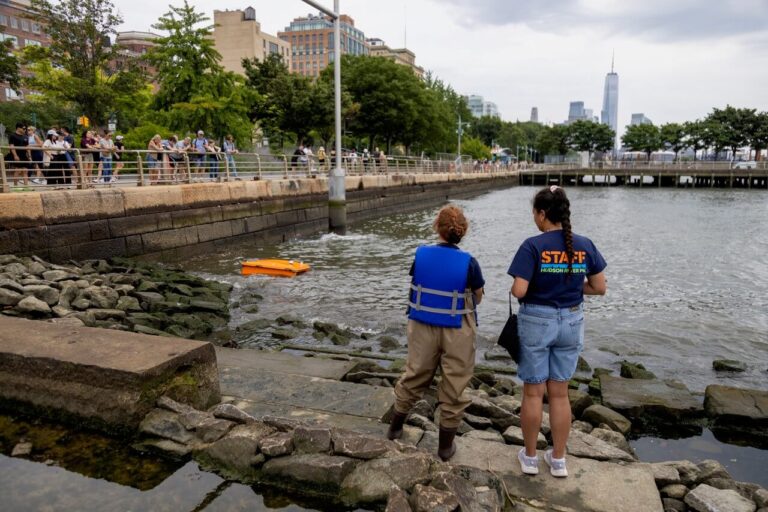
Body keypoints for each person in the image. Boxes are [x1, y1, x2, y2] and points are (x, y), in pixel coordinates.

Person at [508, 186, 607, 478]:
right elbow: (599, 287)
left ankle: (529, 458)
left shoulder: (532, 246)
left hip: (537, 322)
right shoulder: (585, 244)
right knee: (560, 394)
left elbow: (519, 290)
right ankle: (559, 460)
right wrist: (575, 289)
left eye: (534, 213)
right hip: (572, 321)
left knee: (533, 392)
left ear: (541, 214)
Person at [388, 204, 485, 462]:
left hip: (422, 324)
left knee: (415, 373)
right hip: (457, 328)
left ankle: (395, 427)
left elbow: (417, 282)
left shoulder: (421, 255)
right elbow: (478, 296)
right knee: (455, 383)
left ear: (436, 228)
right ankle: (444, 448)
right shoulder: (469, 262)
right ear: (462, 232)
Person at [5, 122, 29, 187]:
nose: (25, 130)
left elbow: (27, 146)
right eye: (23, 128)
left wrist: (29, 156)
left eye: (25, 128)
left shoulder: (25, 136)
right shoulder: (13, 136)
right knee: (17, 170)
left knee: (25, 171)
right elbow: (11, 146)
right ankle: (15, 186)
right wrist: (15, 155)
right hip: (17, 155)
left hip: (24, 155)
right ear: (18, 128)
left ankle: (26, 186)